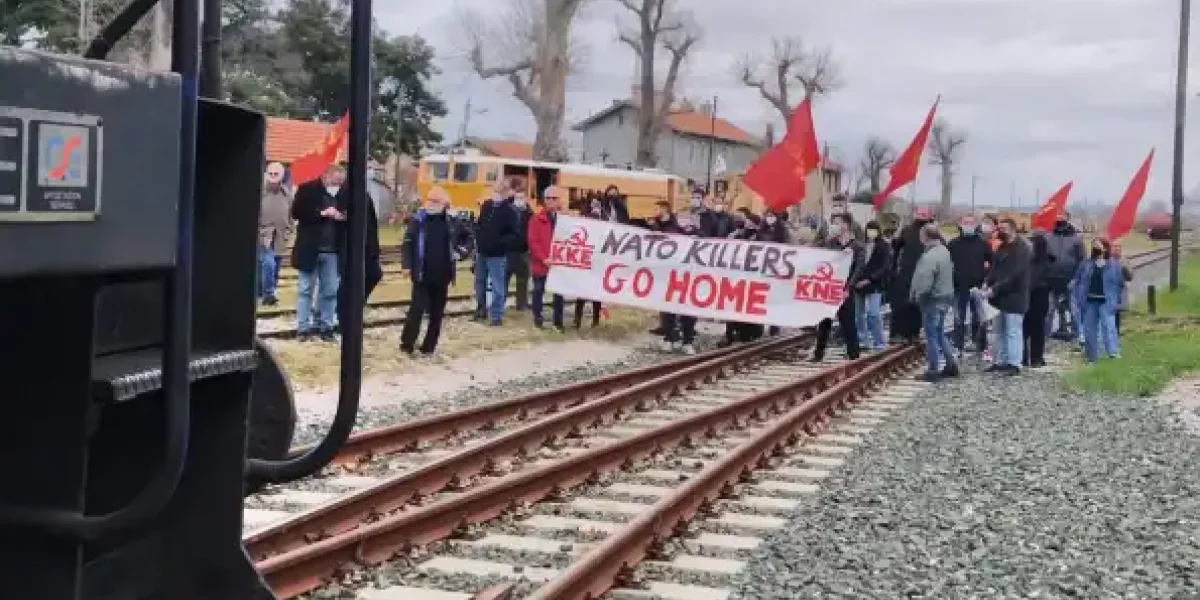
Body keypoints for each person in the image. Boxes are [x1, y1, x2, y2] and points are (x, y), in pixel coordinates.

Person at [399, 186, 458, 356]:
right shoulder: (418, 220)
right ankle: (407, 344)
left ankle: (428, 347)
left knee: (436, 314)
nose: (430, 204)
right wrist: (406, 265)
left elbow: (467, 237)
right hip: (422, 275)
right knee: (416, 311)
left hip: (443, 275)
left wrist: (460, 252)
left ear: (444, 204)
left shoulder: (451, 221)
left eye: (435, 201)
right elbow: (407, 243)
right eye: (429, 200)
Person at [290, 164, 346, 342]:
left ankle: (326, 326)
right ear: (327, 176)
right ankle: (303, 328)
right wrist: (321, 213)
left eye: (340, 182)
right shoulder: (307, 189)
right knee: (305, 289)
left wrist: (342, 216)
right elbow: (296, 212)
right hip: (310, 249)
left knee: (330, 291)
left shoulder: (343, 194)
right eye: (336, 181)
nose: (338, 185)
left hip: (332, 251)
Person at [981, 218, 1032, 375]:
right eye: (999, 228)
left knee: (1013, 331)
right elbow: (995, 269)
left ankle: (1014, 363)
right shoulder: (1002, 247)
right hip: (999, 298)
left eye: (1004, 228)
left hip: (1014, 296)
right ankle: (1000, 361)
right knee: (999, 331)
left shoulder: (1022, 248)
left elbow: (1015, 274)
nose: (1000, 231)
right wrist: (987, 282)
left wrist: (995, 288)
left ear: (1013, 229)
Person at [812, 212, 863, 363]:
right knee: (824, 322)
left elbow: (859, 269)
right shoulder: (831, 244)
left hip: (845, 290)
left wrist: (848, 288)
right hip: (830, 289)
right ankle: (818, 353)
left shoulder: (857, 246)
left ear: (846, 225)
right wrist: (827, 241)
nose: (834, 226)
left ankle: (854, 355)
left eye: (837, 222)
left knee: (848, 323)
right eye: (833, 223)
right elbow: (816, 255)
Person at [909, 223, 958, 381]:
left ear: (925, 237)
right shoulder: (944, 251)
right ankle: (951, 364)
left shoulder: (930, 256)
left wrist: (918, 296)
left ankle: (933, 370)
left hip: (932, 300)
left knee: (931, 336)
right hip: (945, 297)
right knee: (939, 333)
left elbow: (925, 280)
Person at [474, 178, 519, 326]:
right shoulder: (487, 205)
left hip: (497, 255)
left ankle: (496, 316)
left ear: (506, 192)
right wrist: (479, 239)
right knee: (479, 281)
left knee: (497, 285)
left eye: (501, 190)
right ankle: (481, 309)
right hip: (482, 251)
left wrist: (499, 242)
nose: (497, 193)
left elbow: (515, 234)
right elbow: (480, 224)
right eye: (497, 189)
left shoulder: (510, 211)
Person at [946, 215, 992, 354]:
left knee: (978, 317)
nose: (968, 225)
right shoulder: (953, 244)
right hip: (958, 286)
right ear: (960, 224)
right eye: (965, 223)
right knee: (958, 317)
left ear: (976, 225)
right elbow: (947, 264)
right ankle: (958, 344)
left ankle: (979, 344)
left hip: (977, 286)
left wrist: (986, 279)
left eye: (971, 223)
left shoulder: (983, 244)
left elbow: (992, 263)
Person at [1073, 237, 1122, 362]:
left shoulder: (1113, 264)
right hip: (1089, 300)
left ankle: (1113, 353)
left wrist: (1117, 301)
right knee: (1089, 329)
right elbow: (1077, 280)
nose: (1095, 247)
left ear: (1105, 248)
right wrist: (1078, 295)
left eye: (1098, 245)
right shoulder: (1086, 263)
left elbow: (1119, 284)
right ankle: (1092, 357)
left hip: (1107, 301)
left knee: (1108, 326)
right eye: (1094, 245)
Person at [889, 207, 934, 343]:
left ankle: (913, 333)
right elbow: (896, 247)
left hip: (924, 272)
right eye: (919, 213)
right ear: (914, 215)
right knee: (900, 304)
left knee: (917, 305)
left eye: (924, 214)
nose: (921, 216)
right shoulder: (906, 230)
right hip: (906, 271)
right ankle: (896, 333)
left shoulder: (932, 232)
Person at [528, 185, 566, 331]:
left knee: (559, 295)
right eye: (548, 198)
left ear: (559, 200)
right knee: (538, 291)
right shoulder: (536, 219)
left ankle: (558, 321)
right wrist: (543, 258)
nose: (550, 201)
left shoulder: (565, 219)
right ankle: (538, 317)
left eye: (554, 198)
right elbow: (533, 242)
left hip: (557, 265)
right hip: (541, 264)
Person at [1045, 213, 1085, 342]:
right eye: (1058, 216)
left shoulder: (1076, 239)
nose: (1060, 218)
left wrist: (1076, 279)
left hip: (1070, 279)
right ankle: (1045, 335)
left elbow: (1081, 260)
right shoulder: (1048, 237)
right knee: (1049, 308)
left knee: (1073, 308)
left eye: (1062, 216)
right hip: (1051, 279)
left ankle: (1077, 334)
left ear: (1068, 218)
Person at [854, 220, 892, 350]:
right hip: (858, 283)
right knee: (858, 314)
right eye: (869, 229)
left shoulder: (884, 246)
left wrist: (870, 279)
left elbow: (886, 266)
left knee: (874, 313)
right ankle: (862, 339)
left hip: (875, 284)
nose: (871, 232)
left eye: (873, 229)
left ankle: (879, 341)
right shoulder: (861, 245)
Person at [258, 162, 291, 306]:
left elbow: (290, 213)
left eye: (275, 174)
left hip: (280, 235)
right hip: (264, 234)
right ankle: (268, 294)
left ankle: (263, 293)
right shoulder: (260, 192)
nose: (272, 177)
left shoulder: (287, 194)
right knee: (268, 263)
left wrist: (290, 228)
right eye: (270, 174)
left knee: (275, 265)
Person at [1023, 232, 1054, 368]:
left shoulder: (1045, 262)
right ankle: (1025, 357)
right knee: (1025, 328)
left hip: (1038, 297)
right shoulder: (1027, 260)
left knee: (1036, 328)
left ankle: (1036, 358)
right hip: (1031, 297)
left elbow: (1035, 280)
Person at [506, 188, 533, 311]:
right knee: (504, 278)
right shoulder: (508, 211)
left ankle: (521, 304)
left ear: (526, 199)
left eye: (522, 197)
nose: (519, 200)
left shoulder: (530, 213)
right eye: (517, 198)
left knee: (523, 280)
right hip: (508, 250)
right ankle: (500, 302)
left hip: (523, 251)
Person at [1111, 240, 1134, 335]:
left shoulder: (1124, 261)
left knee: (1117, 312)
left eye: (1118, 247)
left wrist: (1125, 268)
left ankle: (1116, 331)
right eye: (1114, 247)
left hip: (1120, 289)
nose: (1116, 249)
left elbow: (1130, 277)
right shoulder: (1107, 260)